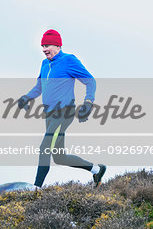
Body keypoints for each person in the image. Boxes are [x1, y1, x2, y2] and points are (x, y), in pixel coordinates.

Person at [17, 29, 106, 188]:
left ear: (58, 46)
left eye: (48, 45)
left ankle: (36, 188)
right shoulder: (45, 64)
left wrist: (87, 103)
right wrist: (26, 98)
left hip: (64, 112)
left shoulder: (68, 60)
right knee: (59, 157)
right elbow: (39, 86)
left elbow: (90, 81)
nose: (44, 49)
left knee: (44, 147)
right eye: (43, 45)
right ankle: (97, 169)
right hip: (50, 115)